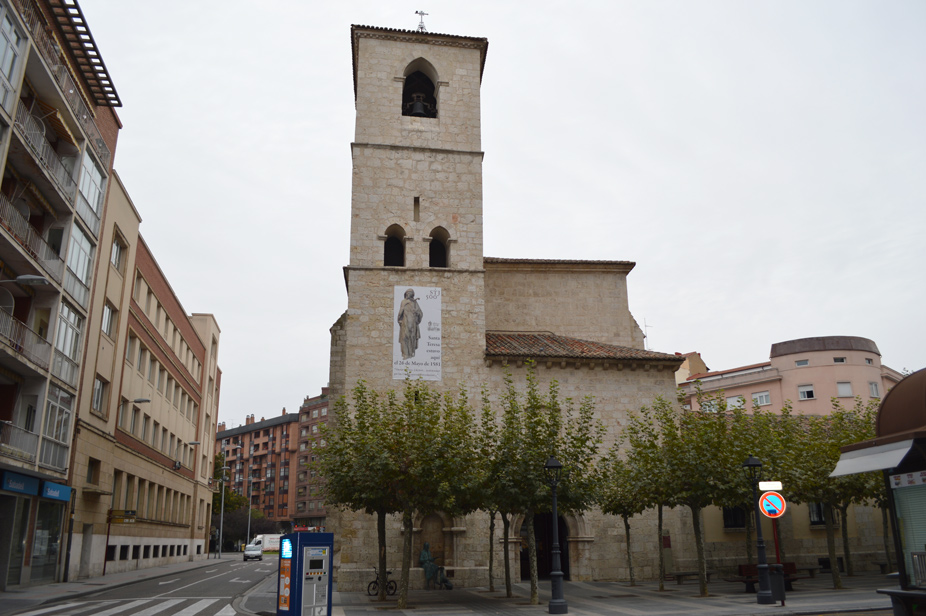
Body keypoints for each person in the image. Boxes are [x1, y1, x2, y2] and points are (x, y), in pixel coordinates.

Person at [397, 288, 423, 359]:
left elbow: (420, 313)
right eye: (408, 293)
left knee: (412, 338)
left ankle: (411, 353)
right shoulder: (403, 302)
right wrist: (399, 320)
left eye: (410, 294)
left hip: (413, 324)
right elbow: (400, 313)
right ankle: (405, 354)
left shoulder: (415, 303)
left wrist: (417, 313)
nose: (409, 295)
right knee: (405, 338)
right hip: (405, 323)